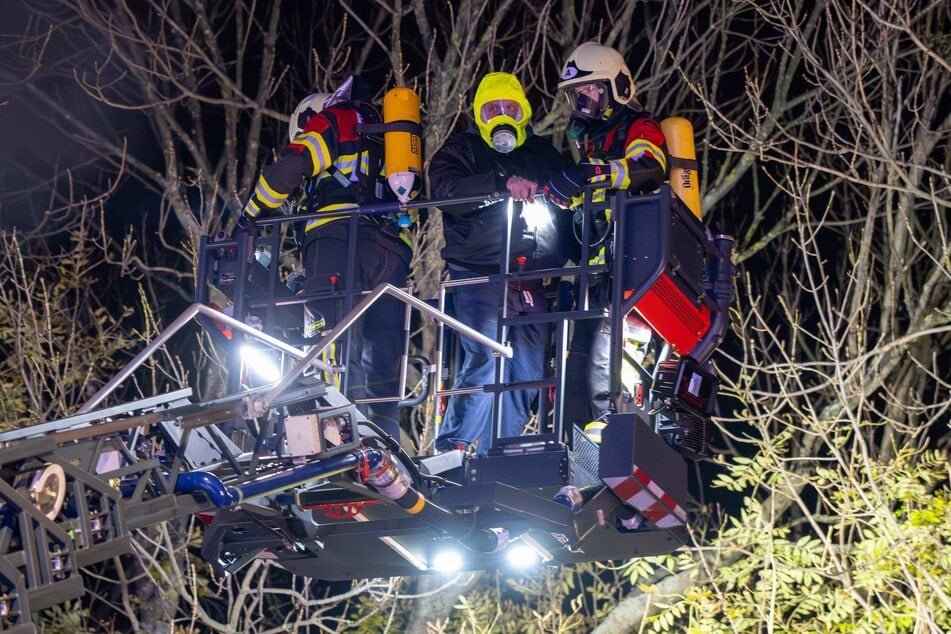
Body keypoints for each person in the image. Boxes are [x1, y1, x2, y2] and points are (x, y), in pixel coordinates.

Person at [233, 75, 412, 440]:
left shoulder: (332, 121)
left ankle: (341, 429)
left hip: (339, 240)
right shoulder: (381, 136)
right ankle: (384, 436)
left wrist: (249, 216)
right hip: (393, 250)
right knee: (384, 350)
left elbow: (292, 166)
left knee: (332, 334)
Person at [429, 72, 569, 456]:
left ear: (522, 112)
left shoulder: (544, 155)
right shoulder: (462, 149)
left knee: (527, 371)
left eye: (510, 107)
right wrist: (499, 185)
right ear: (480, 115)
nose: (502, 115)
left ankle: (500, 451)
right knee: (486, 356)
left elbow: (571, 202)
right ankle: (451, 449)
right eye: (493, 109)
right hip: (479, 273)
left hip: (533, 282)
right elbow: (444, 190)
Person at [543, 42, 669, 441]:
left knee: (607, 358)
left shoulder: (639, 126)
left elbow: (649, 169)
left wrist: (591, 174)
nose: (582, 100)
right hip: (595, 270)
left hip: (632, 267)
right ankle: (575, 440)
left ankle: (614, 436)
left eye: (591, 90)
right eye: (577, 94)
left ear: (617, 86)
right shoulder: (592, 143)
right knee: (574, 357)